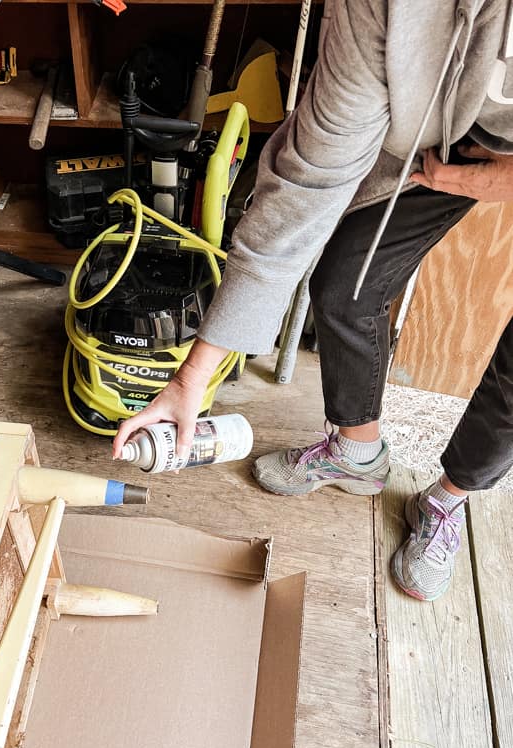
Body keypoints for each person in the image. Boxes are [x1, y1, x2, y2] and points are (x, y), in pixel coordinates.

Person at [112, 0, 513, 602]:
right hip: (447, 140)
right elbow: (306, 186)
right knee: (345, 284)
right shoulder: (384, 9)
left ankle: (449, 497)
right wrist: (193, 377)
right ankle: (356, 451)